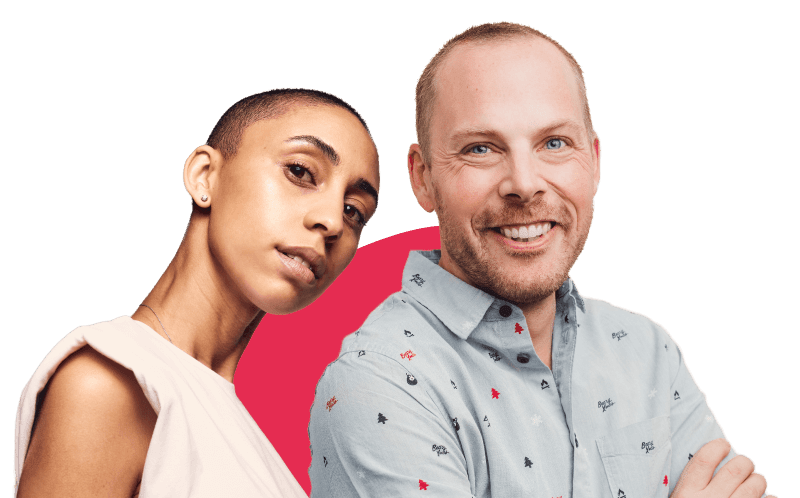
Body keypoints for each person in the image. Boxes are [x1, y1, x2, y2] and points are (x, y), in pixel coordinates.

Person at [308, 22, 775, 498]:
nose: (525, 183)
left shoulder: (648, 352)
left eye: (554, 143)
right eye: (481, 149)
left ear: (593, 161)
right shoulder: (378, 384)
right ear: (423, 178)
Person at [13, 88, 380, 497]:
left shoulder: (239, 430)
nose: (331, 221)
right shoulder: (110, 383)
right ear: (204, 176)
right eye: (300, 171)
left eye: (354, 211)